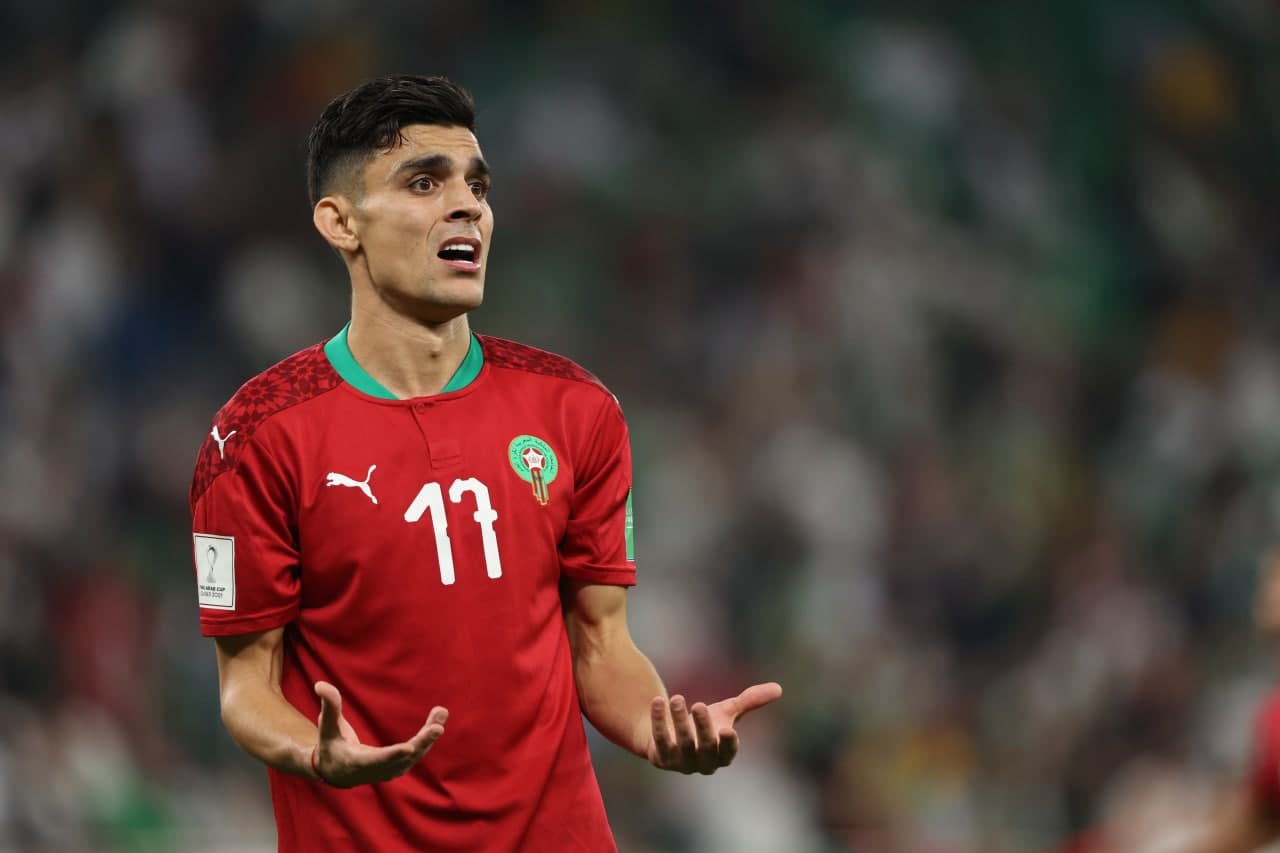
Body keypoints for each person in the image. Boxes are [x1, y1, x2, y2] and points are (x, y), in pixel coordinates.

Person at [188, 74, 782, 852]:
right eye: (424, 183)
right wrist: (312, 749)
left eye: (477, 184)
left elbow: (601, 644)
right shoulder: (255, 437)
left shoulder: (576, 410)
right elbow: (244, 690)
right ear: (340, 222)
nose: (466, 205)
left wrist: (657, 728)